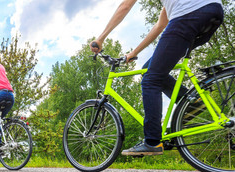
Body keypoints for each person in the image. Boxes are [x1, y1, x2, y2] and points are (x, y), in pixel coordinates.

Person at [90, 0, 224, 156]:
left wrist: (100, 38)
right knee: (149, 69)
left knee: (150, 79)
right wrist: (133, 54)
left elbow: (125, 6)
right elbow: (160, 25)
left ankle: (152, 141)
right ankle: (192, 102)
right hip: (213, 12)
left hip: (188, 16)